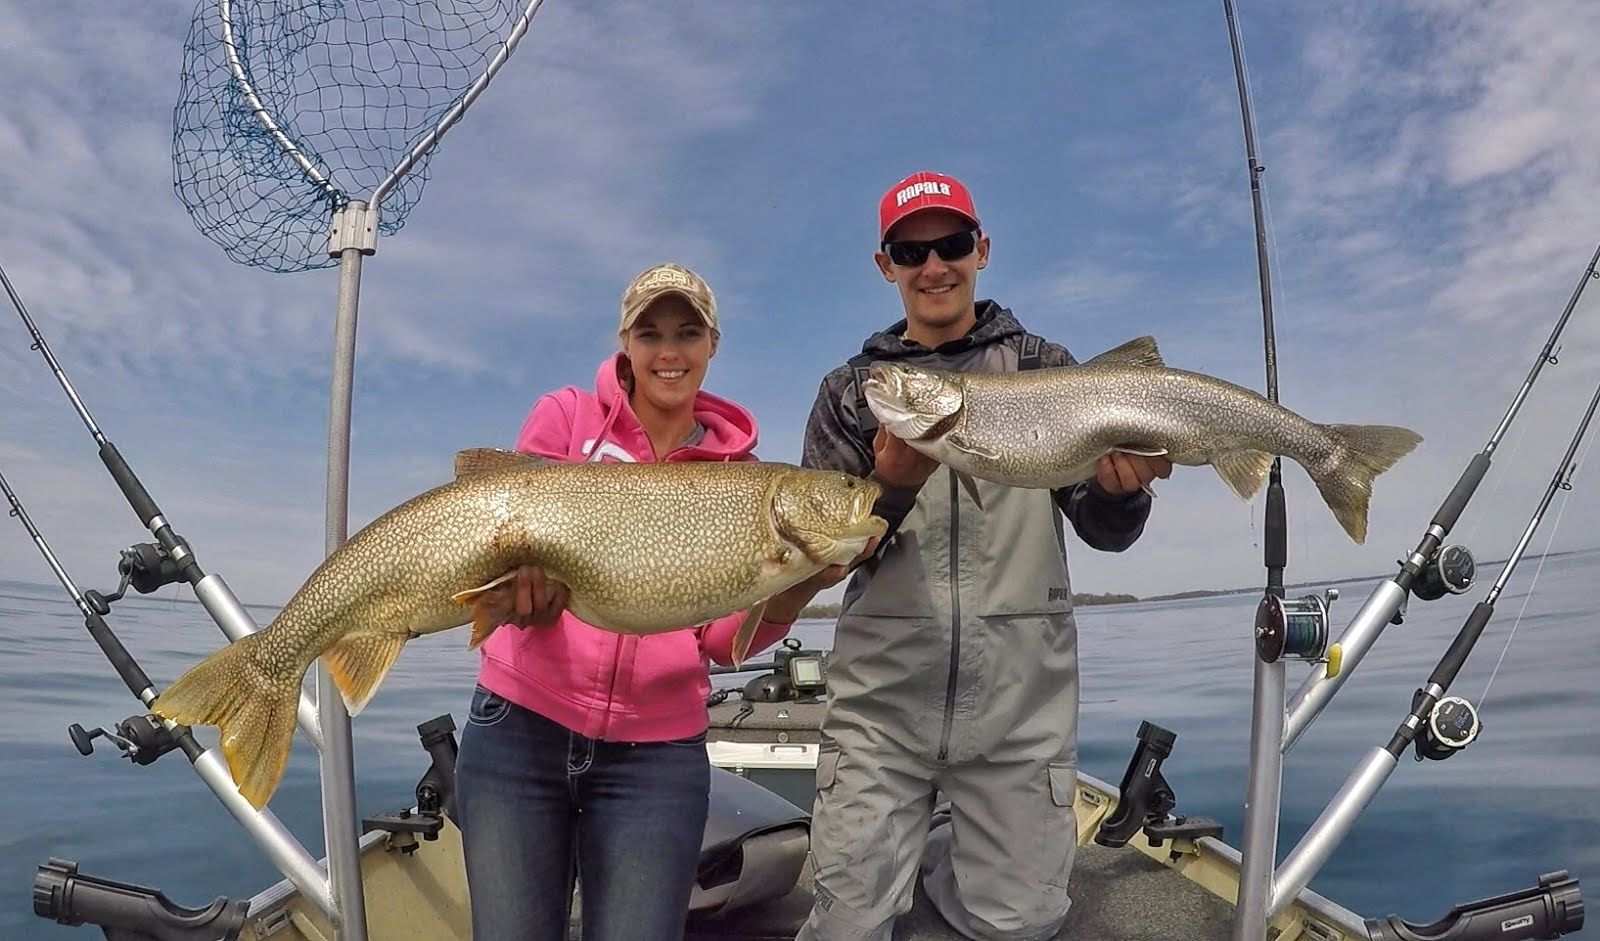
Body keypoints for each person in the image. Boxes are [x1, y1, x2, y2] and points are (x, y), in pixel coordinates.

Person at [783, 171, 1174, 941]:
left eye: (952, 245)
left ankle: (941, 857)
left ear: (982, 250)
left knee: (1021, 923)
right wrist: (889, 486)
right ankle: (925, 849)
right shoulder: (852, 391)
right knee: (848, 921)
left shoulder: (1044, 366)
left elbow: (1104, 529)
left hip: (1020, 707)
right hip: (881, 711)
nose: (934, 266)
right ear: (884, 264)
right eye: (911, 250)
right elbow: (828, 556)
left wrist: (1122, 492)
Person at [452, 262, 869, 941]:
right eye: (650, 333)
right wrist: (518, 591)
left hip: (655, 757)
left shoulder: (740, 476)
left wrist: (799, 587)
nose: (669, 351)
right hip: (519, 730)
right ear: (625, 341)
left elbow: (715, 638)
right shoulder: (565, 416)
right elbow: (506, 537)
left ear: (713, 344)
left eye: (687, 332)